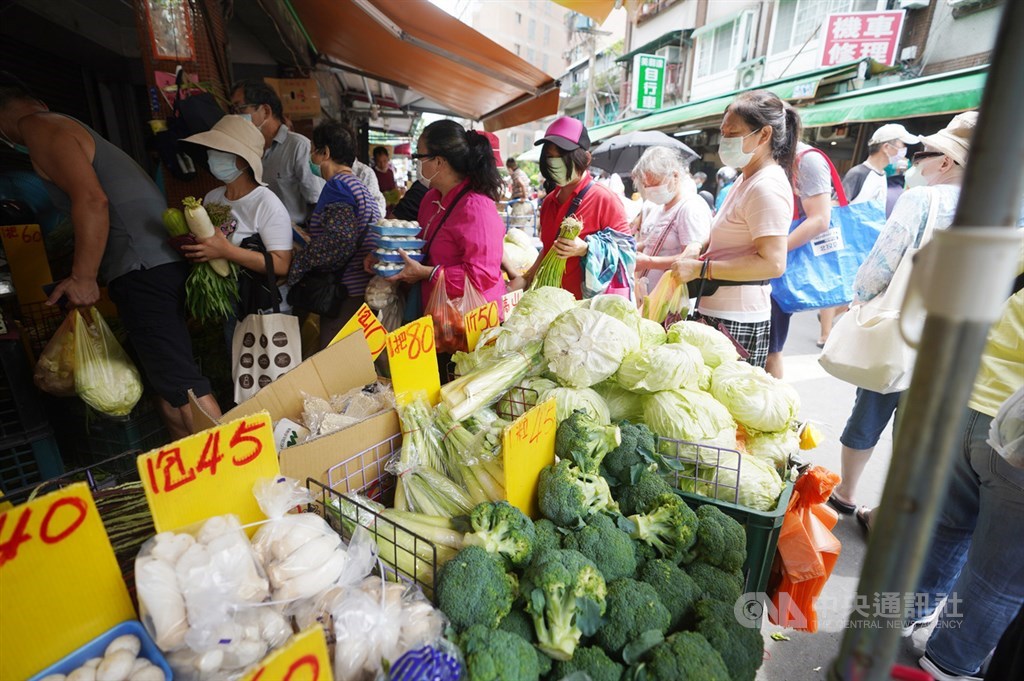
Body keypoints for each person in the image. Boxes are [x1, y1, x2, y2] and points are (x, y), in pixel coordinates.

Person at [0, 72, 220, 438]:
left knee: (182, 387)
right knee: (168, 383)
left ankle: (236, 471)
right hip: (151, 264)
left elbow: (92, 200)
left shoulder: (36, 127)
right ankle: (196, 474)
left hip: (143, 267)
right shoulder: (61, 125)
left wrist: (84, 277)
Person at [827, 112, 977, 519]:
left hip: (903, 327)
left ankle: (847, 492)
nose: (914, 162)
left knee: (871, 408)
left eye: (922, 154)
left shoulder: (922, 199)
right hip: (957, 339)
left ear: (945, 162)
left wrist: (860, 298)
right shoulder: (999, 211)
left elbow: (881, 263)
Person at [904, 250, 1023, 681]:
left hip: (963, 405)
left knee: (946, 528)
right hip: (1015, 434)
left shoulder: (1015, 243)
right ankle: (948, 659)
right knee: (1002, 574)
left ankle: (909, 613)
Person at [669, 90, 796, 368]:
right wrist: (697, 246)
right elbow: (728, 231)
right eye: (724, 133)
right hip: (718, 311)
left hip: (737, 320)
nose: (725, 141)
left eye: (733, 133)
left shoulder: (766, 187)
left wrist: (702, 269)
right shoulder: (746, 178)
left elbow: (773, 264)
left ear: (764, 135)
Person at [368, 119, 506, 307]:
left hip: (469, 320)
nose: (416, 163)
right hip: (436, 309)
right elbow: (423, 249)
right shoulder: (431, 198)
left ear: (439, 162)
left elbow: (482, 276)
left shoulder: (476, 209)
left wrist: (426, 273)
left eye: (419, 155)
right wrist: (387, 257)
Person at [181, 116, 294, 338]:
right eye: (211, 150)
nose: (212, 156)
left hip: (264, 306)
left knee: (269, 369)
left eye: (219, 151)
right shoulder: (212, 198)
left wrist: (226, 251)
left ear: (243, 160)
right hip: (231, 303)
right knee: (239, 365)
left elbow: (281, 265)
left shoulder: (266, 203)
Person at [287, 121, 380, 350]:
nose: (310, 156)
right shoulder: (359, 186)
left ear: (325, 153)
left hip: (344, 293)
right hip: (361, 288)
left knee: (337, 362)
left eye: (312, 150)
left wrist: (300, 261)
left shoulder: (338, 186)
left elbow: (340, 238)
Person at [525, 116, 634, 300]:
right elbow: (549, 248)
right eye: (550, 156)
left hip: (586, 310)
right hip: (551, 304)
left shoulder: (604, 199)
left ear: (586, 158)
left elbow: (628, 256)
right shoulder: (549, 202)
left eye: (562, 156)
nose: (554, 162)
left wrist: (586, 249)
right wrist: (526, 277)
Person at [765, 132, 834, 376]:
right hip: (766, 260)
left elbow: (819, 219)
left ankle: (775, 411)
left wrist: (774, 250)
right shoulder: (769, 158)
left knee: (770, 349)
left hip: (776, 263)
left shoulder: (805, 159)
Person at [229, 80, 324, 227]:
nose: (236, 117)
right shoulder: (246, 149)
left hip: (293, 235)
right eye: (233, 110)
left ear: (266, 111)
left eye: (240, 109)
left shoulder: (297, 146)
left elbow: (316, 201)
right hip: (256, 232)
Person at [631, 146, 712, 296]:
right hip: (649, 296)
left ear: (674, 176)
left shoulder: (690, 207)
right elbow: (651, 243)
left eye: (655, 184)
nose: (651, 190)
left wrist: (649, 262)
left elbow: (692, 258)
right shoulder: (657, 207)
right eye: (647, 186)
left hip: (671, 300)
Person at [843, 123, 919, 213]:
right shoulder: (858, 173)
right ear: (886, 147)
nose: (904, 150)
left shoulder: (882, 175)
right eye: (903, 145)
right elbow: (836, 206)